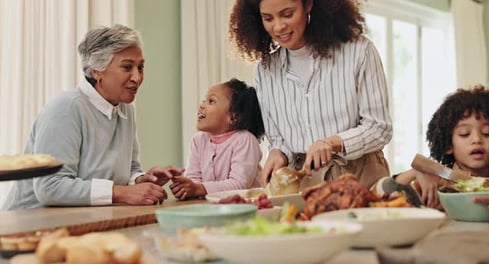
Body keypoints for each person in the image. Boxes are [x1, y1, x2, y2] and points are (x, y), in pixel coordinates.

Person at [2, 24, 184, 210]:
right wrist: (120, 192)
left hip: (78, 224)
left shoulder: (125, 110)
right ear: (97, 70)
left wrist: (141, 179)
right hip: (26, 228)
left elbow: (129, 170)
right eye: (127, 67)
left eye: (140, 67)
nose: (137, 77)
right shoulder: (66, 108)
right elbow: (50, 187)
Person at [228, 0, 392, 188]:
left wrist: (333, 143)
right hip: (304, 181)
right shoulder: (265, 70)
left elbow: (380, 128)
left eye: (287, 14)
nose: (278, 26)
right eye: (268, 18)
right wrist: (277, 154)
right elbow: (279, 139)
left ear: (308, 5)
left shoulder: (359, 51)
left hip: (360, 177)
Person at [392, 85, 489, 209]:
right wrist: (413, 173)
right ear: (448, 145)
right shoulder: (435, 181)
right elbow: (378, 194)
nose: (477, 140)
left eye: (487, 133)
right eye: (464, 133)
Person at [169, 78, 265, 200]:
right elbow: (194, 178)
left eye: (211, 101)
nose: (202, 105)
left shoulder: (245, 140)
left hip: (246, 208)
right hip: (213, 207)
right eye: (204, 100)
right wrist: (185, 187)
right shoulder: (198, 140)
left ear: (233, 117)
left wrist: (199, 188)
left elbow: (240, 185)